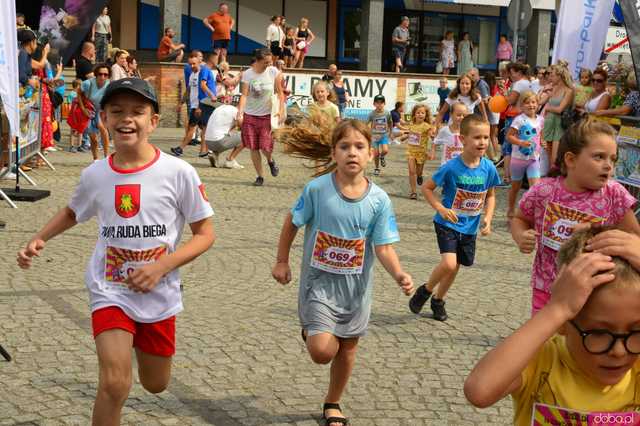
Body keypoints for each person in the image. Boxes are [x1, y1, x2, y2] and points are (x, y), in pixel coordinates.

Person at [17, 78, 215, 425]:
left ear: (153, 121)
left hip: (159, 293)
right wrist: (39, 238)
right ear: (104, 118)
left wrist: (161, 266)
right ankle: (120, 351)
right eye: (117, 111)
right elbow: (72, 211)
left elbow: (205, 234)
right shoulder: (95, 174)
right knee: (115, 383)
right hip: (110, 290)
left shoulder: (178, 172)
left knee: (156, 383)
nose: (127, 119)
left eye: (138, 111)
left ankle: (139, 342)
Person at [272, 118, 414, 426]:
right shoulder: (317, 190)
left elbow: (384, 247)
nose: (352, 152)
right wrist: (282, 260)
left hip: (356, 291)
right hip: (318, 286)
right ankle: (313, 330)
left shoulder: (379, 200)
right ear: (333, 153)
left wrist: (400, 274)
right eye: (345, 146)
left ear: (371, 154)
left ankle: (333, 402)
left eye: (359, 147)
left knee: (348, 347)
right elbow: (292, 222)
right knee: (323, 351)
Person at [465, 226, 640, 425]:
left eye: (636, 331)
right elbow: (480, 391)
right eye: (599, 333)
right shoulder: (544, 361)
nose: (619, 351)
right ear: (564, 323)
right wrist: (556, 309)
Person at [511, 118, 640, 315]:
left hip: (596, 293)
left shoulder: (615, 194)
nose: (608, 166)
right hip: (547, 288)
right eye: (599, 157)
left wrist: (596, 232)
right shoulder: (544, 190)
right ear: (570, 160)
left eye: (612, 159)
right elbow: (520, 218)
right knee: (546, 342)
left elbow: (634, 238)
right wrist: (521, 236)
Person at [409, 115, 500, 321]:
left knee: (455, 266)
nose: (483, 142)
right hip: (447, 223)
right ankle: (425, 290)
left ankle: (438, 300)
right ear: (463, 139)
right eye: (477, 137)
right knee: (449, 264)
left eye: (486, 137)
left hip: (469, 227)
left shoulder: (489, 168)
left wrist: (488, 218)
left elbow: (491, 195)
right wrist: (441, 208)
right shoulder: (451, 167)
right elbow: (428, 188)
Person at [236, 48, 285, 187]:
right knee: (253, 147)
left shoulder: (273, 72)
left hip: (267, 116)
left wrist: (281, 110)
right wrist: (240, 111)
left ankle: (270, 160)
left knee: (265, 147)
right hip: (250, 115)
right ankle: (260, 176)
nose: (269, 64)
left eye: (270, 62)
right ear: (257, 61)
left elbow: (280, 93)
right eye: (266, 62)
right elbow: (244, 95)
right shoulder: (248, 74)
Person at [170, 51, 217, 158]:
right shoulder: (192, 75)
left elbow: (203, 88)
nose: (191, 66)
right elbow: (188, 90)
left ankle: (182, 149)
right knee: (201, 128)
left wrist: (205, 102)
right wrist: (181, 103)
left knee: (196, 128)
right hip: (196, 105)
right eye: (190, 64)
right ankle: (202, 151)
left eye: (193, 64)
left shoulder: (203, 72)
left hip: (203, 106)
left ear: (199, 62)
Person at [505, 91, 543, 219]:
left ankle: (532, 213)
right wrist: (520, 142)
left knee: (535, 188)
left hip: (534, 159)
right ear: (522, 105)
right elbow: (509, 136)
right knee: (515, 187)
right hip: (518, 160)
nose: (531, 105)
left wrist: (542, 142)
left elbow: (539, 135)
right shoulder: (519, 120)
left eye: (533, 102)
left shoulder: (541, 119)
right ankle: (511, 209)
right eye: (527, 103)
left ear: (537, 104)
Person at [502, 62, 532, 184]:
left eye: (512, 72)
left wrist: (505, 93)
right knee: (518, 147)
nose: (510, 75)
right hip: (523, 117)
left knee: (507, 147)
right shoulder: (528, 82)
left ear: (519, 72)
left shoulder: (519, 84)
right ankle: (516, 177)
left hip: (514, 117)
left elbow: (511, 100)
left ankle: (507, 177)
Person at [540, 63, 574, 167]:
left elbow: (560, 110)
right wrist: (542, 91)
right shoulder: (553, 88)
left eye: (553, 75)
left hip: (559, 125)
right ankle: (552, 179)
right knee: (549, 155)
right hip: (549, 123)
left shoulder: (569, 91)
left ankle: (555, 178)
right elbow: (540, 102)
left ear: (560, 76)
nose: (550, 77)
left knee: (555, 157)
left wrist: (548, 108)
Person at [78, 64, 111, 161]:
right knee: (93, 137)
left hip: (101, 110)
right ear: (96, 74)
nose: (103, 77)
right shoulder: (88, 83)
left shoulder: (109, 85)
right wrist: (83, 108)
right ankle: (95, 158)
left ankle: (106, 156)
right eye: (100, 74)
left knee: (103, 129)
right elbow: (79, 93)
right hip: (89, 110)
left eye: (105, 74)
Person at [401, 104, 434, 200]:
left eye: (422, 113)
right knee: (412, 172)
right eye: (418, 113)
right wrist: (404, 137)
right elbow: (408, 134)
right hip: (411, 152)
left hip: (421, 153)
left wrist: (433, 136)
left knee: (418, 172)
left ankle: (420, 175)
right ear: (414, 114)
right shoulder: (411, 125)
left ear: (425, 114)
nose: (420, 114)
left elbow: (431, 136)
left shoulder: (427, 126)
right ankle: (413, 192)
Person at [204, 99, 242, 168]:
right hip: (218, 142)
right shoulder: (235, 110)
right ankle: (230, 160)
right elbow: (242, 125)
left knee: (221, 135)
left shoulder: (219, 108)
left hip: (207, 142)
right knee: (246, 136)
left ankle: (215, 154)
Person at [431, 102, 466, 166]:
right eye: (458, 115)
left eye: (464, 115)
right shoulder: (445, 130)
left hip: (462, 166)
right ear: (451, 114)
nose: (461, 117)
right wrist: (433, 152)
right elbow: (435, 142)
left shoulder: (468, 132)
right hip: (447, 165)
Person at [367, 95, 392, 176]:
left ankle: (382, 157)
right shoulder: (372, 114)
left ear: (384, 104)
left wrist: (391, 132)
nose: (379, 105)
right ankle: (377, 168)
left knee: (385, 150)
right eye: (377, 103)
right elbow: (366, 123)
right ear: (374, 104)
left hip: (384, 135)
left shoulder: (387, 113)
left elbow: (390, 122)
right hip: (374, 136)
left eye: (381, 103)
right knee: (376, 153)